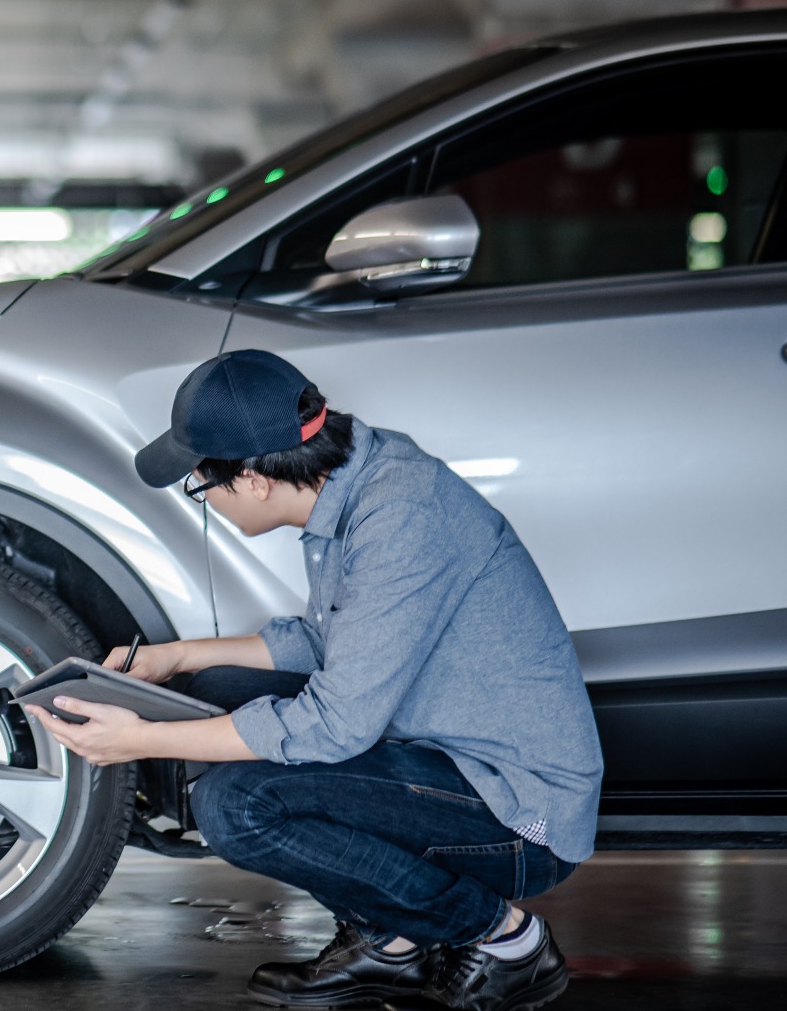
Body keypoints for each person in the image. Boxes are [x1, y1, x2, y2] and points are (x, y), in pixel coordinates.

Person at [30, 349, 603, 1011]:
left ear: (252, 480)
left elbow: (335, 724)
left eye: (200, 484)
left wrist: (145, 739)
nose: (205, 501)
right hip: (445, 758)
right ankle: (389, 942)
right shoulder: (358, 478)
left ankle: (502, 938)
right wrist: (178, 658)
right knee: (210, 693)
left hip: (516, 812)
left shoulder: (401, 519)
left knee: (237, 807)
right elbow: (333, 642)